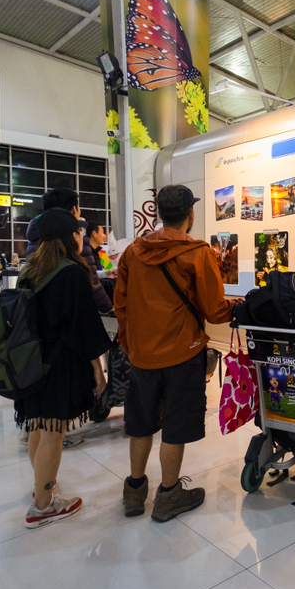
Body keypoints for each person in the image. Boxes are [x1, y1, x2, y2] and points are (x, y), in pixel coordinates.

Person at [114, 185, 238, 522]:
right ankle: (168, 495)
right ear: (191, 214)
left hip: (142, 357)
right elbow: (214, 310)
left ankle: (134, 491)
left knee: (140, 424)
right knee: (175, 427)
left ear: (158, 214)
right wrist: (239, 308)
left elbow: (120, 305)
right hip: (183, 354)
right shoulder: (199, 253)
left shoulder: (132, 252)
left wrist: (132, 344)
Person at [15, 208, 110, 529]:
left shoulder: (29, 270)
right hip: (60, 365)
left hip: (30, 362)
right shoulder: (72, 272)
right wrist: (97, 367)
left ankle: (44, 485)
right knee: (54, 434)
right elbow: (83, 327)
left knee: (38, 428)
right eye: (79, 231)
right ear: (72, 236)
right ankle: (42, 506)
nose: (82, 236)